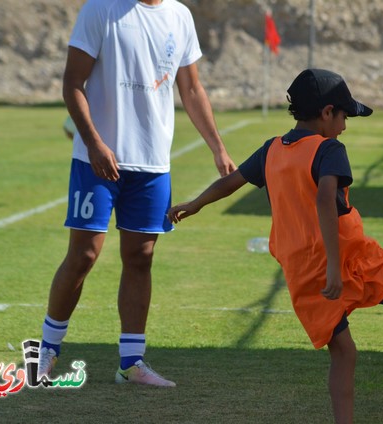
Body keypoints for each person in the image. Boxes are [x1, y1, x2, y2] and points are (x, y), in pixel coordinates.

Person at [167, 69, 383, 423]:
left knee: (344, 353)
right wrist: (335, 266)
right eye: (344, 117)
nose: (345, 126)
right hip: (350, 259)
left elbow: (231, 182)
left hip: (304, 274)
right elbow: (324, 200)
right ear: (326, 112)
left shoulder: (272, 149)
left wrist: (196, 203)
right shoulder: (329, 148)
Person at [38, 0, 236, 387]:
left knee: (141, 257)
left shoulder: (179, 15)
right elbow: (72, 83)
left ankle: (131, 364)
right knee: (83, 255)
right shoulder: (100, 9)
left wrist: (218, 147)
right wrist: (94, 144)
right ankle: (47, 352)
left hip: (152, 164)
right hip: (95, 161)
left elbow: (192, 88)